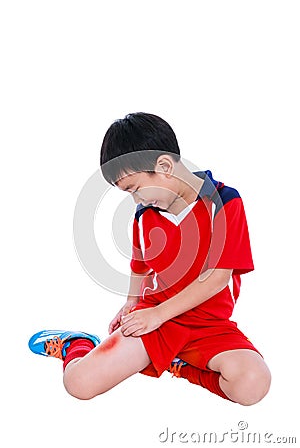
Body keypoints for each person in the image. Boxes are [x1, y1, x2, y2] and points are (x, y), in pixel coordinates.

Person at [29, 112, 271, 405]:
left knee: (253, 385)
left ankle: (180, 367)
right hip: (156, 324)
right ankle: (77, 344)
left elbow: (218, 277)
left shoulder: (225, 201)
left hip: (209, 325)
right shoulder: (144, 216)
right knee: (79, 384)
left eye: (135, 188)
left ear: (165, 166)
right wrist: (132, 302)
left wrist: (159, 314)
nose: (137, 200)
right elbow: (140, 264)